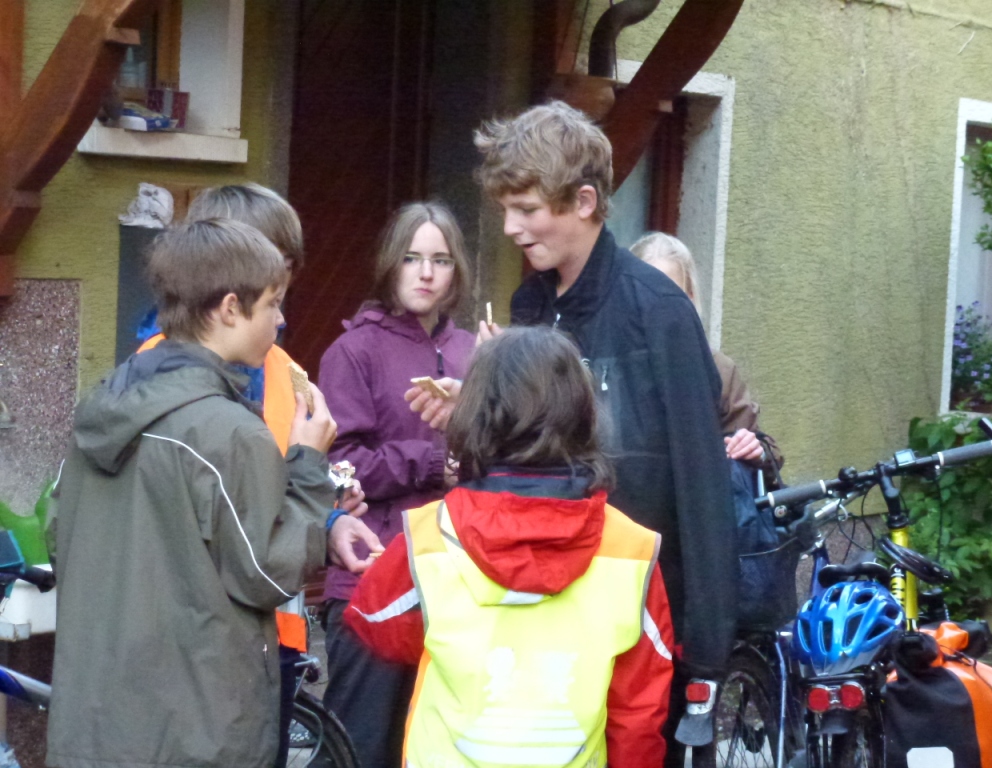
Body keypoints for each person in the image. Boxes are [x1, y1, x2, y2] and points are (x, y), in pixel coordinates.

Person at [408, 101, 736, 763]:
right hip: (535, 629)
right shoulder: (530, 304)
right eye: (506, 209)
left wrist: (706, 652)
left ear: (584, 202)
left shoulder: (660, 312)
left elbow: (703, 486)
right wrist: (477, 408)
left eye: (526, 209)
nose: (509, 228)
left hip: (636, 628)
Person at [46, 220, 376, 768]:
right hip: (195, 729)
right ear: (229, 308)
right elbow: (268, 572)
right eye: (272, 303)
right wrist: (308, 464)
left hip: (95, 723)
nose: (281, 319)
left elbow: (61, 538)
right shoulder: (229, 432)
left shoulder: (100, 409)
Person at [348, 327, 674, 767]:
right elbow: (638, 713)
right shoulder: (633, 548)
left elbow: (375, 625)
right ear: (583, 414)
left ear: (473, 414)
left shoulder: (429, 534)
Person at [135, 183, 371, 767]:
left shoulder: (284, 369)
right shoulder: (155, 372)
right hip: (197, 641)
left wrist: (329, 517)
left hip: (275, 632)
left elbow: (271, 496)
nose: (283, 305)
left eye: (285, 272)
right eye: (271, 280)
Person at [318, 201, 476, 767]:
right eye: (411, 258)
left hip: (458, 580)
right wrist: (433, 464)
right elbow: (338, 465)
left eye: (440, 260)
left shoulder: (472, 351)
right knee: (359, 752)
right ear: (390, 263)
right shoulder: (353, 350)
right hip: (372, 579)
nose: (426, 273)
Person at [630, 232, 785, 485]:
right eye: (644, 293)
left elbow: (767, 459)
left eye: (668, 293)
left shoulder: (717, 368)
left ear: (690, 296)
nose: (655, 306)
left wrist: (753, 450)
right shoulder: (603, 363)